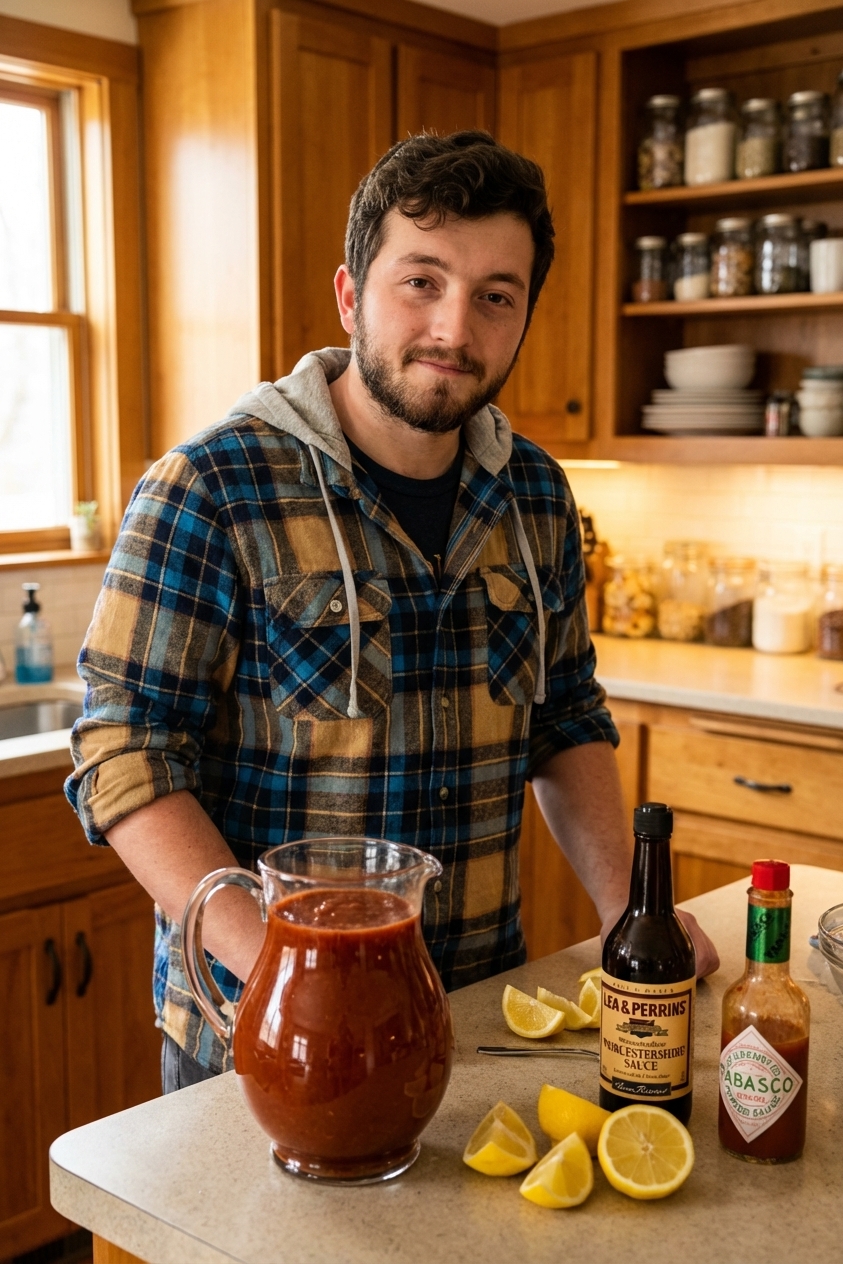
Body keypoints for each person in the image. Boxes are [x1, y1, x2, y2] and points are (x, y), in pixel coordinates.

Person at [66, 131, 718, 1090]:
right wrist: (289, 971)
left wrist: (630, 908)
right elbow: (123, 747)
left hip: (477, 1023)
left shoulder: (534, 493)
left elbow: (563, 713)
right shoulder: (212, 486)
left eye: (496, 296)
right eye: (421, 281)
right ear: (349, 294)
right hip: (261, 1035)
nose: (455, 328)